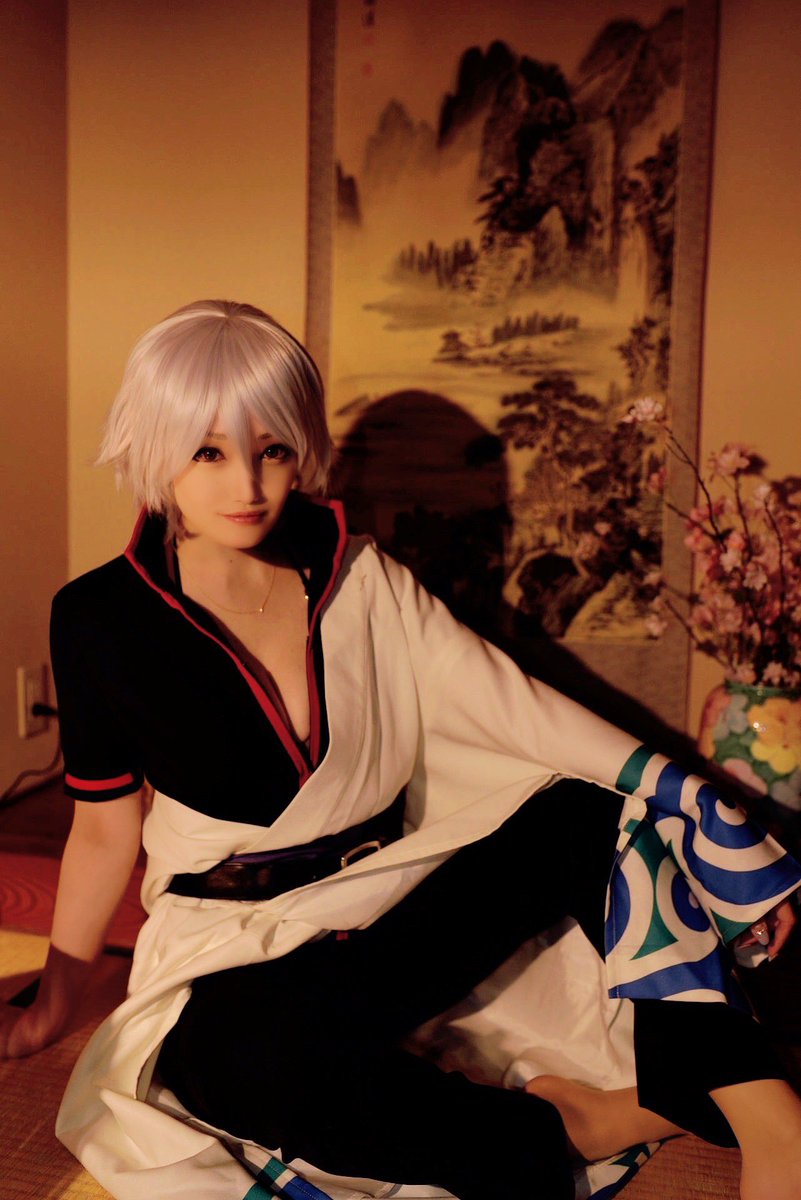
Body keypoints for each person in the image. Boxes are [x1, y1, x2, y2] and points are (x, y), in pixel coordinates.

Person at [1, 299, 800, 1200]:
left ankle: (767, 1117)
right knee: (226, 1068)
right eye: (208, 452)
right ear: (155, 444)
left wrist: (705, 804)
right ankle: (576, 1124)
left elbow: (519, 709)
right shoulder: (98, 617)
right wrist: (55, 1001)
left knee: (602, 806)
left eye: (272, 449)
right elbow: (104, 827)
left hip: (391, 897)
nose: (249, 485)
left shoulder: (360, 575)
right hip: (233, 941)